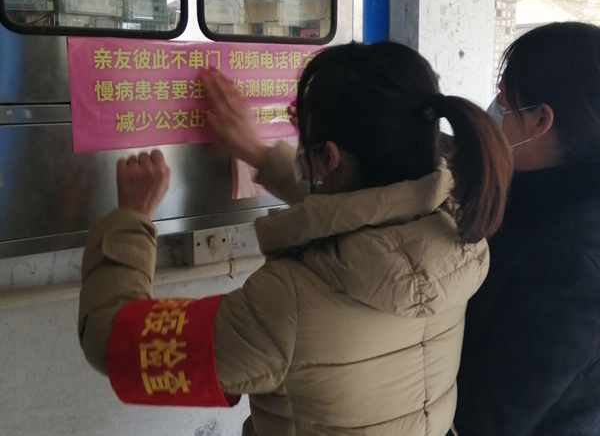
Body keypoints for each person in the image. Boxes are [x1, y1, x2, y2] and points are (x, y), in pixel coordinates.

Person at [77, 41, 512, 436]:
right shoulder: (455, 232)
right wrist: (258, 153)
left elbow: (113, 342)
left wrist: (130, 219)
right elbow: (365, 212)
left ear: (328, 159)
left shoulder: (286, 305)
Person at [454, 22, 600, 436]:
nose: (492, 114)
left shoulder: (572, 263)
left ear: (540, 120)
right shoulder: (534, 200)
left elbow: (488, 418)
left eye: (502, 102)